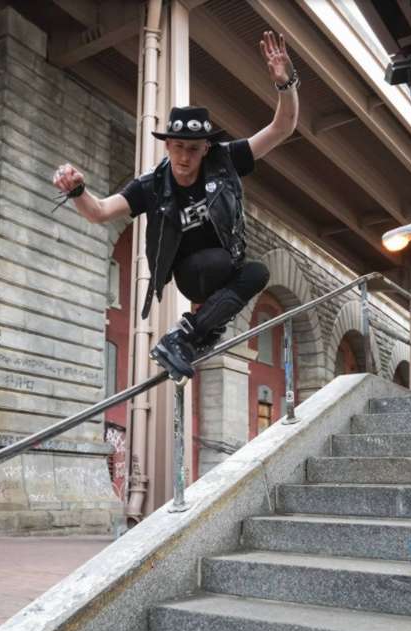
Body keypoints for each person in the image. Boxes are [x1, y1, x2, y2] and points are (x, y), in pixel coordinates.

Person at [53, 30, 298, 383]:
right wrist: (77, 191)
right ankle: (186, 335)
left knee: (257, 272)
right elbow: (100, 212)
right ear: (167, 146)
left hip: (225, 266)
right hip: (191, 272)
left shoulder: (225, 160)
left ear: (206, 149)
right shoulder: (151, 186)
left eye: (193, 149)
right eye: (178, 147)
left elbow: (282, 127)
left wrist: (285, 84)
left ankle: (192, 336)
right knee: (213, 261)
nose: (185, 157)